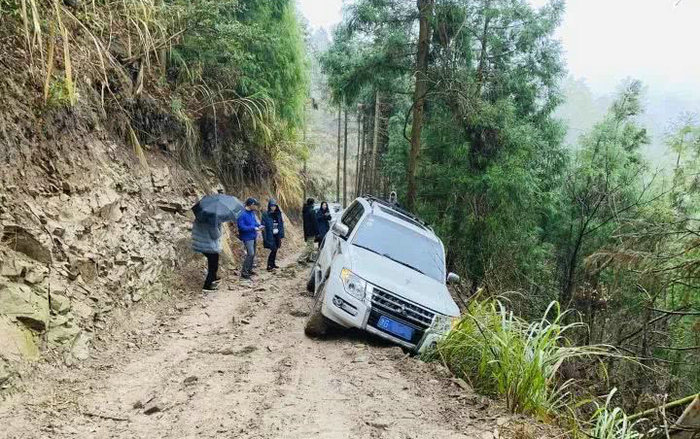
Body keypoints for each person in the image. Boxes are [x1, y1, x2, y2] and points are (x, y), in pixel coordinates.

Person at [192, 217, 223, 291]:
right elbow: (215, 235)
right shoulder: (212, 219)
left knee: (212, 263)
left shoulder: (200, 217)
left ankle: (213, 278)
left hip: (201, 243)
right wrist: (219, 227)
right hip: (209, 246)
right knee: (213, 266)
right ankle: (207, 285)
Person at [237, 197, 263, 279]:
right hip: (247, 237)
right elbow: (241, 227)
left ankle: (249, 270)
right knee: (250, 253)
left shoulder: (252, 213)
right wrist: (253, 228)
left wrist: (259, 226)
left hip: (253, 236)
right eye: (255, 205)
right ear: (251, 205)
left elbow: (254, 223)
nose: (256, 207)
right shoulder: (242, 214)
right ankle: (244, 273)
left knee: (253, 254)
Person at [262, 198, 285, 271]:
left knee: (276, 249)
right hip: (270, 234)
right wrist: (265, 236)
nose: (273, 207)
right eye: (272, 206)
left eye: (274, 206)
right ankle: (269, 265)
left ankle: (273, 263)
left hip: (277, 234)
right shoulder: (265, 214)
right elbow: (263, 225)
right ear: (269, 206)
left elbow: (281, 224)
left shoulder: (278, 213)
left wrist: (281, 234)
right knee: (273, 249)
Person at [300, 197, 318, 263]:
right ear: (312, 203)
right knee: (310, 246)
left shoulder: (305, 210)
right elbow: (314, 222)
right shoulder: (312, 211)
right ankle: (301, 258)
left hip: (307, 230)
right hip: (311, 231)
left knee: (311, 245)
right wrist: (317, 232)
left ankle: (309, 258)